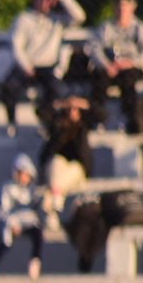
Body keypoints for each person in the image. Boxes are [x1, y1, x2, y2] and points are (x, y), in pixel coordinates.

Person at [0, 0, 85, 136]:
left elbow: (80, 16)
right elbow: (16, 45)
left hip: (47, 66)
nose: (45, 1)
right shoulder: (23, 18)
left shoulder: (57, 20)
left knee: (57, 90)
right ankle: (11, 121)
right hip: (26, 65)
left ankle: (45, 120)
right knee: (9, 87)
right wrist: (26, 65)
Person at [86, 0, 143, 134]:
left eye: (124, 7)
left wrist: (131, 62)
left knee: (129, 83)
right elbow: (94, 48)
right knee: (99, 82)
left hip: (130, 67)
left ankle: (130, 121)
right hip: (109, 66)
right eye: (119, 7)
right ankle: (96, 119)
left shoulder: (139, 28)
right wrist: (106, 65)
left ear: (131, 8)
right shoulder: (106, 27)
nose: (121, 11)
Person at [0, 153, 46, 280]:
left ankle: (35, 262)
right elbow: (1, 210)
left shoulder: (32, 190)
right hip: (11, 223)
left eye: (27, 174)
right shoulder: (8, 188)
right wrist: (12, 223)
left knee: (37, 233)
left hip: (27, 222)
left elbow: (35, 210)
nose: (24, 177)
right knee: (6, 241)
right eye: (22, 173)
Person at [38, 95, 93, 228]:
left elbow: (101, 114)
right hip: (57, 169)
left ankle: (53, 204)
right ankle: (56, 198)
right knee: (57, 161)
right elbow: (41, 112)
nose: (72, 112)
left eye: (75, 110)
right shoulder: (58, 127)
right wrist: (62, 103)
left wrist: (82, 103)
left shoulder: (81, 128)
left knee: (68, 171)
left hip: (76, 168)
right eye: (70, 109)